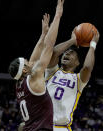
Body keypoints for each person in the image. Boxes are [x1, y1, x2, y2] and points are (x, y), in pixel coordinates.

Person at [8, 0, 65, 130]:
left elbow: (33, 60)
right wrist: (57, 16)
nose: (29, 61)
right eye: (26, 61)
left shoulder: (19, 85)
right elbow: (49, 46)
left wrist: (43, 34)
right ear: (24, 69)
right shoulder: (35, 76)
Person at [45, 29, 100, 131]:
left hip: (61, 127)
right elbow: (54, 53)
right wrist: (72, 40)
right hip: (42, 125)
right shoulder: (51, 72)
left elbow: (87, 67)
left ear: (77, 63)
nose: (66, 53)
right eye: (66, 52)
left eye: (71, 53)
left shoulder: (78, 80)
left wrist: (92, 45)